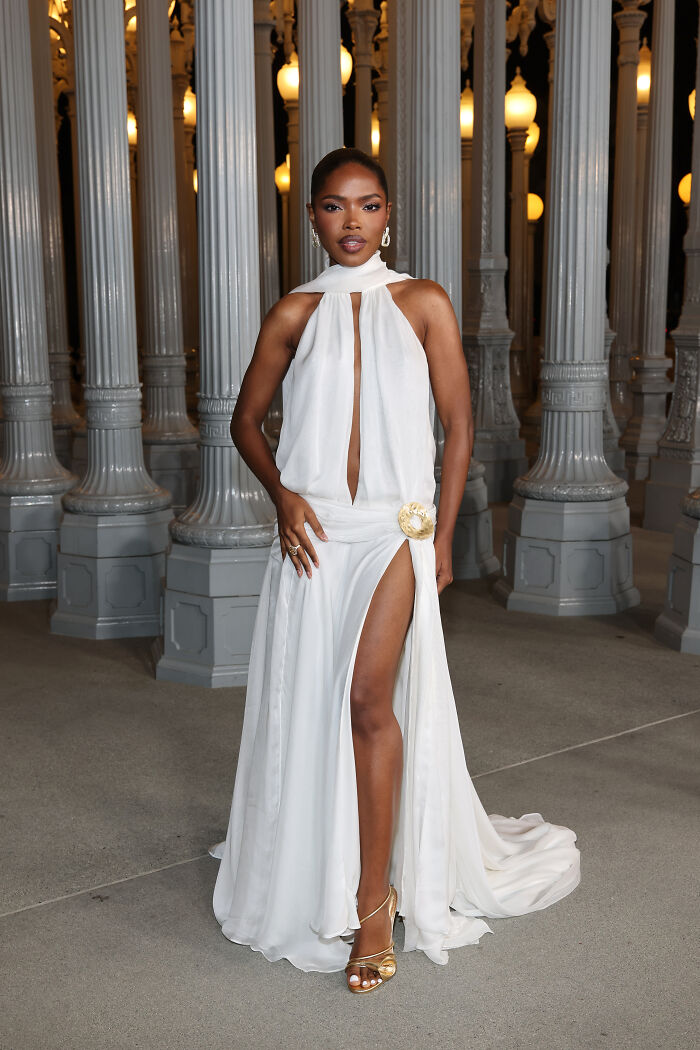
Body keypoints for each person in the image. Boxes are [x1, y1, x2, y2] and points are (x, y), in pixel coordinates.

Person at [211, 147, 580, 994]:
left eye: (368, 206)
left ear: (389, 216)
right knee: (310, 701)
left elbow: (458, 424)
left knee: (368, 697)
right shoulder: (293, 313)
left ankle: (373, 904)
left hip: (394, 531)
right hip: (316, 535)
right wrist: (282, 497)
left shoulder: (423, 303)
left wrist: (442, 539)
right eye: (334, 207)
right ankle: (317, 855)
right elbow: (244, 420)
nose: (351, 222)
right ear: (311, 218)